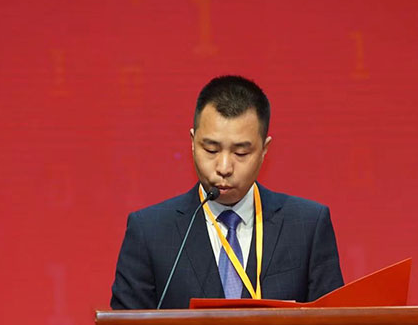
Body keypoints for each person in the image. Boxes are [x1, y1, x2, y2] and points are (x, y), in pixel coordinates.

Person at [110, 75, 344, 309]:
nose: (224, 168)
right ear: (192, 142)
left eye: (241, 153)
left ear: (264, 150)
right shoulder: (149, 232)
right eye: (211, 150)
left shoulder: (307, 226)